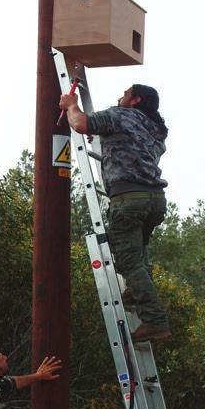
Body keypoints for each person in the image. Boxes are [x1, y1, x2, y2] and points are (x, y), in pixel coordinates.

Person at [59, 84, 170, 343]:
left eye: (125, 93)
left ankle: (154, 320)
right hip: (154, 200)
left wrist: (71, 105)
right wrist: (102, 133)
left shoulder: (121, 115)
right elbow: (124, 142)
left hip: (128, 199)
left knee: (128, 261)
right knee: (138, 256)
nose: (120, 96)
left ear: (135, 100)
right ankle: (136, 290)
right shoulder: (155, 129)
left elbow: (81, 124)